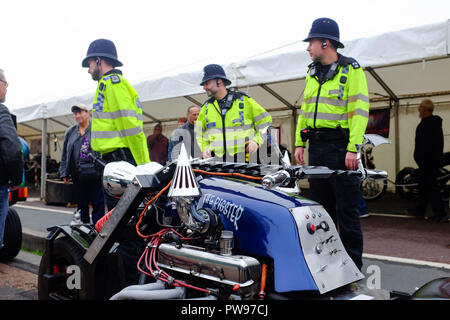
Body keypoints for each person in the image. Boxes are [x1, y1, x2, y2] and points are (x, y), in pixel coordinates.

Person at [294, 18, 370, 270]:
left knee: (346, 213)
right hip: (316, 147)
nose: (308, 48)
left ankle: (353, 268)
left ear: (325, 43)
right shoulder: (312, 72)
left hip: (340, 148)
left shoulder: (351, 70)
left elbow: (359, 110)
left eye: (311, 43)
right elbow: (304, 111)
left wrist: (353, 147)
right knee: (320, 212)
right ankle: (325, 265)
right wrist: (299, 143)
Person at [82, 38, 150, 210]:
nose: (89, 70)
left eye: (90, 64)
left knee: (122, 216)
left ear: (99, 60)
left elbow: (130, 127)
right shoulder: (106, 85)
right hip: (113, 160)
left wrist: (143, 166)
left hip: (120, 160)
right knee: (118, 214)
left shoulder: (114, 85)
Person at [195, 64, 272, 163]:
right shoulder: (206, 108)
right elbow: (199, 132)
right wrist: (204, 148)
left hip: (245, 161)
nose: (204, 87)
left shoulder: (243, 101)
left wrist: (256, 141)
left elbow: (265, 122)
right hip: (217, 162)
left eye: (207, 83)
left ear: (219, 81)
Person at [59, 104, 105, 224]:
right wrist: (64, 172)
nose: (77, 115)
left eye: (80, 112)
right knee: (82, 204)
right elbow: (65, 153)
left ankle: (98, 230)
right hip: (77, 173)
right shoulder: (70, 131)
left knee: (98, 203)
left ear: (88, 113)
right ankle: (83, 228)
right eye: (75, 113)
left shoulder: (97, 128)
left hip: (94, 172)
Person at [411, 99, 447, 223]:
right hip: (429, 161)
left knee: (431, 187)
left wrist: (421, 158)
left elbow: (426, 145)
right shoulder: (431, 123)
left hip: (428, 161)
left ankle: (441, 214)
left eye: (420, 107)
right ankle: (419, 211)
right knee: (424, 187)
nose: (418, 109)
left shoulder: (428, 124)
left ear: (425, 109)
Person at [0, 69, 24, 252]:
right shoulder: (1, 111)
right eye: (5, 84)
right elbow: (13, 149)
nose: (6, 89)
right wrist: (16, 179)